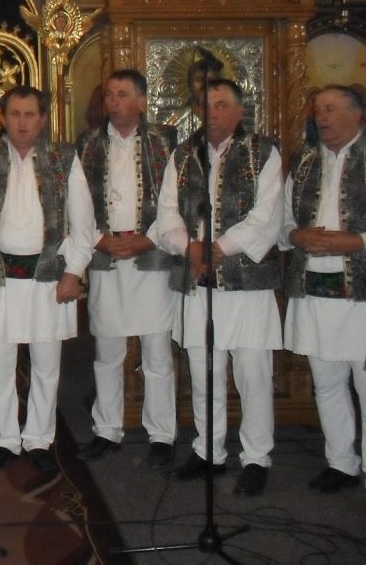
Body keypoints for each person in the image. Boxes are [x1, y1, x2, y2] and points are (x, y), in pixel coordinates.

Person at [156, 79, 282, 497]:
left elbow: (267, 216)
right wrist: (189, 246)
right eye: (206, 106)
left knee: (252, 372)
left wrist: (219, 248)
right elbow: (167, 214)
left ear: (240, 111)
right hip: (197, 279)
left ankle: (256, 457)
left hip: (246, 283)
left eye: (222, 105)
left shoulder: (263, 152)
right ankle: (208, 450)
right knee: (202, 370)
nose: (213, 113)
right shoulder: (183, 155)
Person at [0, 86, 91, 474]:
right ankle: (4, 439)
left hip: (48, 277)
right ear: (2, 118)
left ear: (42, 119)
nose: (22, 122)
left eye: (30, 115)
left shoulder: (63, 159)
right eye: (15, 114)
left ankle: (39, 438)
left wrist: (74, 271)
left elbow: (84, 222)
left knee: (46, 364)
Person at [74, 71, 178, 470]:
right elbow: (76, 204)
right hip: (106, 256)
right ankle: (107, 429)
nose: (113, 102)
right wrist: (99, 240)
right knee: (107, 351)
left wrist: (148, 240)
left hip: (151, 256)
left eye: (122, 94)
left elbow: (176, 201)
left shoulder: (164, 143)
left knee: (156, 352)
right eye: (109, 95)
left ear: (142, 100)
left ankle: (162, 434)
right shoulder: (88, 144)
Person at [282, 85, 366, 493]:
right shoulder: (304, 160)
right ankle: (341, 463)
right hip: (314, 286)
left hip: (360, 291)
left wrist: (358, 241)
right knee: (327, 380)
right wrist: (296, 235)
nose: (322, 117)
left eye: (331, 109)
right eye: (318, 110)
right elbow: (283, 222)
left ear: (358, 115)